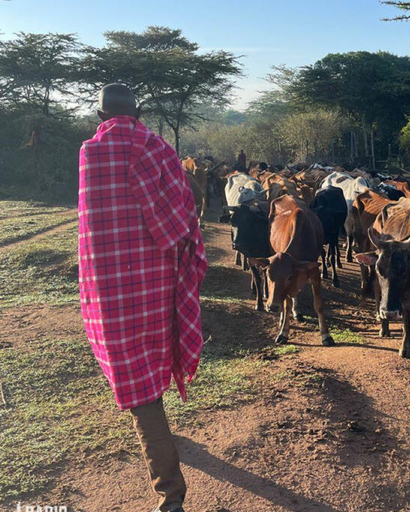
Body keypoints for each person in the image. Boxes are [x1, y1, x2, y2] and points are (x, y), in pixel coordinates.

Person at [78, 83, 207, 512]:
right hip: (158, 284)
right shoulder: (158, 148)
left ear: (100, 116)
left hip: (112, 289)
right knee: (147, 377)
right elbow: (182, 220)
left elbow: (93, 228)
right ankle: (168, 471)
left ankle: (171, 495)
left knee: (138, 387)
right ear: (138, 113)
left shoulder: (91, 154)